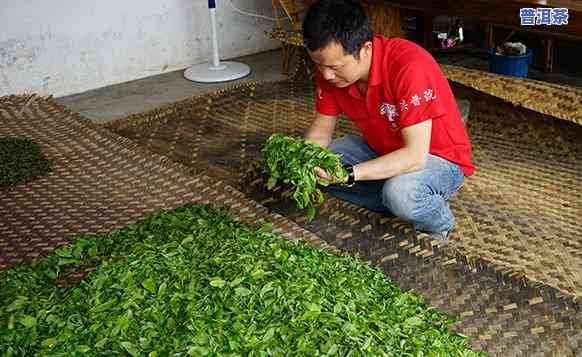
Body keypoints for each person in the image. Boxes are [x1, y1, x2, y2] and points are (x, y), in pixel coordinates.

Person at [302, 0, 474, 241]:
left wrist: (350, 175)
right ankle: (390, 196)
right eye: (319, 65)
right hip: (382, 150)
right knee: (316, 164)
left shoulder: (408, 66)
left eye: (334, 66)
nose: (326, 75)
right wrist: (303, 161)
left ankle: (438, 222)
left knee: (401, 192)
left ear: (365, 49)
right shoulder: (332, 76)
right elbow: (321, 132)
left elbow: (415, 156)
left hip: (437, 159)